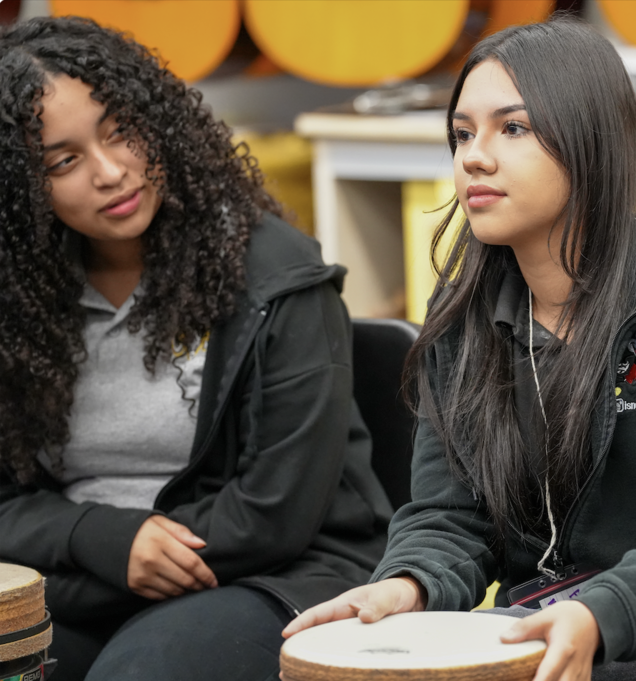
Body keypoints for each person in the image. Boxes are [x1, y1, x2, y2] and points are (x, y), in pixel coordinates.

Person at [284, 16, 636, 681]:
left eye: (512, 129)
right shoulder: (464, 315)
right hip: (554, 619)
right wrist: (404, 586)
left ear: (589, 140)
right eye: (462, 133)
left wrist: (603, 612)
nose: (474, 156)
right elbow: (450, 518)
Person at [0, 16, 392, 681]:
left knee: (144, 670)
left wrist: (67, 581)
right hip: (93, 570)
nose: (111, 171)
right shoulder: (22, 302)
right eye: (63, 160)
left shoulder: (277, 274)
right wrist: (105, 541)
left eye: (121, 129)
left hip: (277, 577)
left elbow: (273, 516)